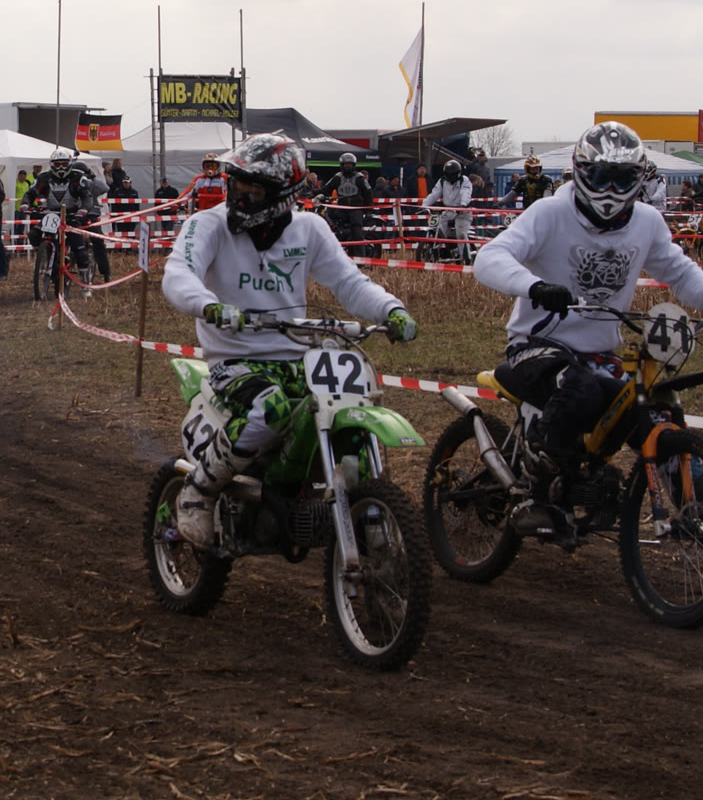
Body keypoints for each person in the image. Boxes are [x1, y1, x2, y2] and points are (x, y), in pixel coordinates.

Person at [471, 122, 703, 608]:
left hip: (601, 352)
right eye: (601, 176)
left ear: (638, 178)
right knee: (581, 386)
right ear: (580, 172)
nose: (610, 189)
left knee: (659, 418)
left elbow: (678, 270)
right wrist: (534, 286)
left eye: (622, 178)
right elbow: (490, 257)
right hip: (536, 345)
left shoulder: (647, 222)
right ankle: (538, 486)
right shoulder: (550, 212)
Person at [159, 133, 417, 546]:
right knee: (271, 408)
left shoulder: (309, 229)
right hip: (234, 359)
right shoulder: (208, 224)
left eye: (252, 188)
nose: (239, 195)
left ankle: (358, 505)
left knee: (346, 407)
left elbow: (349, 282)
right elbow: (178, 274)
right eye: (236, 183)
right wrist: (208, 306)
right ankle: (199, 490)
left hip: (299, 359)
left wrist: (391, 309)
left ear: (283, 195)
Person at [28, 147, 110, 282]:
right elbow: (36, 193)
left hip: (88, 214)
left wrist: (92, 177)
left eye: (64, 164)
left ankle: (104, 272)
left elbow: (103, 189)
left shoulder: (86, 181)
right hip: (62, 214)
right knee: (38, 234)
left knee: (96, 241)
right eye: (58, 165)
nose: (61, 168)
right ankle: (44, 257)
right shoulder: (53, 179)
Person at [422, 158, 475, 258]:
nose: (450, 177)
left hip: (462, 211)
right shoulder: (442, 181)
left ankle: (465, 257)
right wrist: (424, 205)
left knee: (461, 234)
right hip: (448, 210)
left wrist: (463, 204)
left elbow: (466, 192)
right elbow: (434, 194)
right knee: (440, 229)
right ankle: (447, 248)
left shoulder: (464, 180)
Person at [321, 153, 374, 250]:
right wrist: (311, 193)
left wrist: (369, 210)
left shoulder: (360, 178)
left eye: (350, 164)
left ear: (354, 165)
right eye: (346, 164)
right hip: (341, 208)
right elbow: (326, 189)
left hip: (355, 209)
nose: (348, 166)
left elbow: (368, 193)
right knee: (328, 215)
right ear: (342, 165)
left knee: (357, 233)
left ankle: (360, 257)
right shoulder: (337, 177)